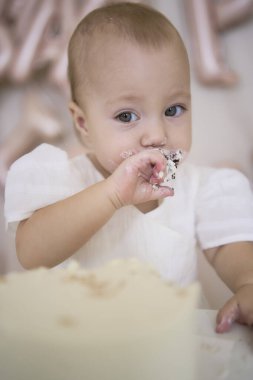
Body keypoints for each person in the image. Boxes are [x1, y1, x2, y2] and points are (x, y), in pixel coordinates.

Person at [4, 2, 253, 333]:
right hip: (82, 346)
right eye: (127, 116)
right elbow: (32, 253)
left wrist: (247, 284)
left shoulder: (198, 188)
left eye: (174, 109)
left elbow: (226, 245)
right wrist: (110, 195)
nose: (157, 135)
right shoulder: (66, 179)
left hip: (168, 347)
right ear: (83, 124)